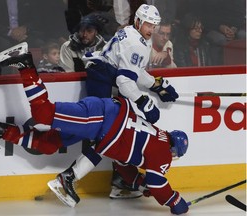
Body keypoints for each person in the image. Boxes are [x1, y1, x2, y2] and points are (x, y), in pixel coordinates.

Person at [0, 44, 189, 215]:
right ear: (173, 150)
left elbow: (123, 162)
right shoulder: (162, 154)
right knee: (44, 114)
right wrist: (175, 202)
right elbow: (158, 182)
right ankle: (25, 63)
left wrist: (140, 184)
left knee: (50, 144)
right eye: (174, 155)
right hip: (102, 118)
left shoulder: (152, 140)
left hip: (104, 126)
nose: (171, 158)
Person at [58, 4, 179, 202]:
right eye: (149, 24)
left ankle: (116, 180)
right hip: (102, 80)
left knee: (113, 134)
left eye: (154, 25)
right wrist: (144, 101)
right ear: (138, 21)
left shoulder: (135, 34)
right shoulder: (137, 43)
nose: (152, 29)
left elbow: (133, 70)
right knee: (104, 135)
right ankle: (72, 176)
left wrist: (156, 84)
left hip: (103, 76)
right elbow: (124, 81)